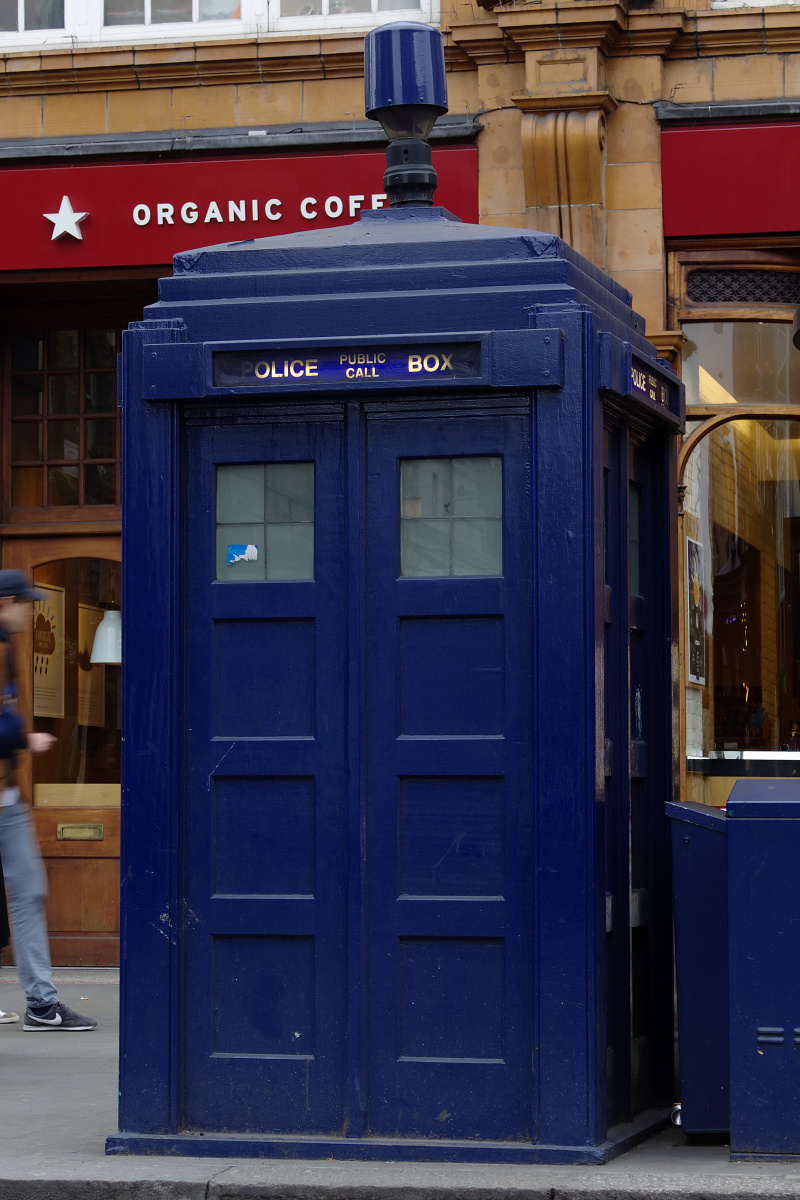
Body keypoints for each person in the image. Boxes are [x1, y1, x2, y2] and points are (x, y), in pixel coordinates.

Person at [0, 570, 96, 1032]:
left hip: (7, 800)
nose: (30, 610)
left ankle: (41, 1003)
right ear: (5, 603)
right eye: (25, 602)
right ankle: (41, 1003)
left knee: (29, 892)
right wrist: (23, 735)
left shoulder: (7, 647)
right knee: (27, 893)